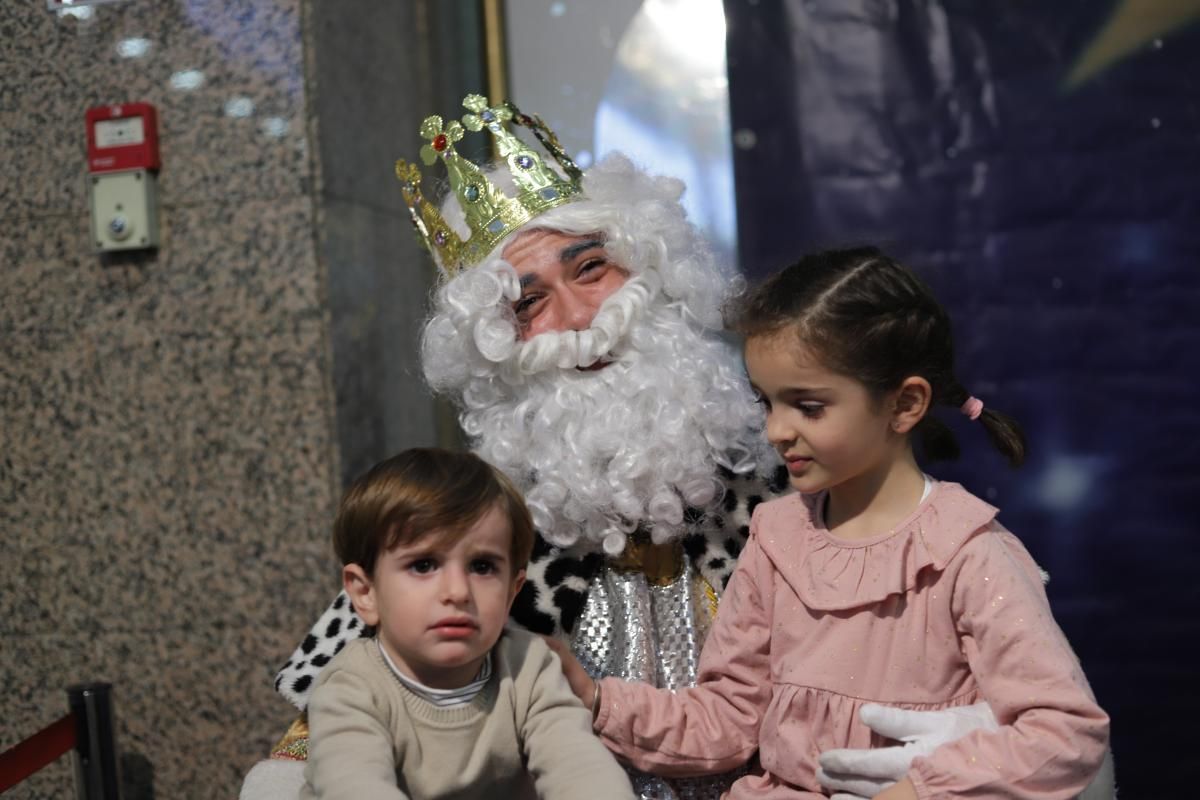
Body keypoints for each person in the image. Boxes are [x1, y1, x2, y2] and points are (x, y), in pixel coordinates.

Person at [241, 96, 1114, 800]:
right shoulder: (473, 523)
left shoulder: (794, 489)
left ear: (652, 272)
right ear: (495, 348)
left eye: (591, 270)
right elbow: (348, 699)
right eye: (527, 303)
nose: (579, 323)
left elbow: (1031, 709)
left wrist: (970, 744)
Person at [549, 247, 1111, 799]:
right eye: (767, 402)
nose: (776, 431)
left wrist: (919, 790)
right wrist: (596, 698)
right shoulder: (777, 536)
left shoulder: (966, 553)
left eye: (808, 407)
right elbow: (730, 716)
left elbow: (1064, 734)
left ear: (904, 404)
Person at [299, 447, 633, 799]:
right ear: (366, 592)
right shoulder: (351, 687)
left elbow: (578, 765)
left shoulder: (528, 668)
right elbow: (355, 786)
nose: (458, 592)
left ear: (511, 592)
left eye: (482, 567)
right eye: (424, 565)